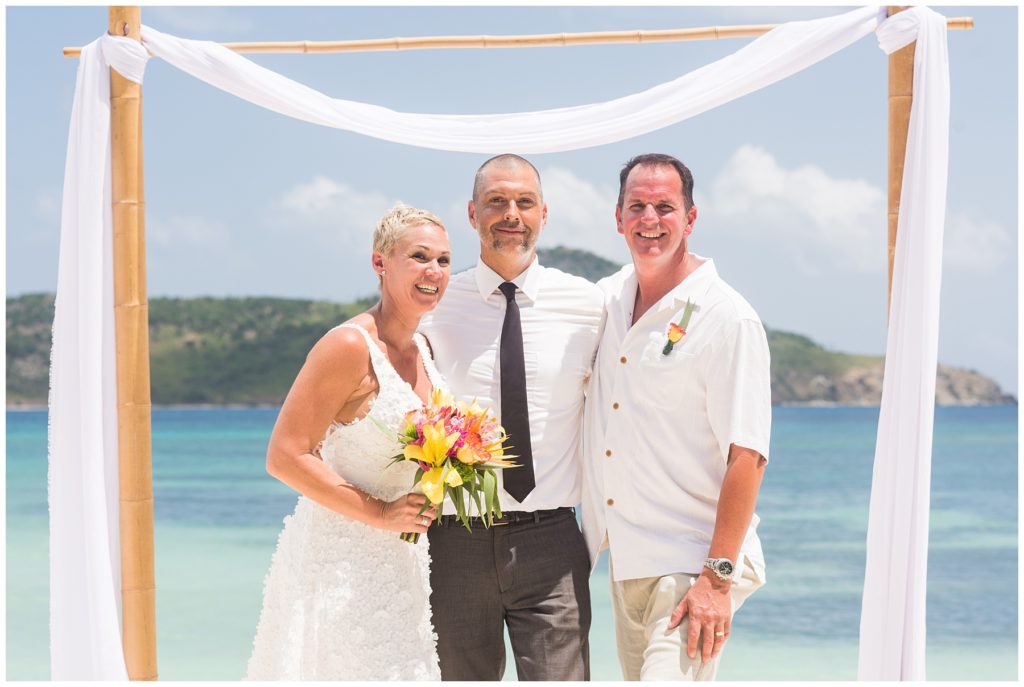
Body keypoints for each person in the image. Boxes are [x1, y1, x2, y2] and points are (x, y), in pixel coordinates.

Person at [581, 154, 771, 681]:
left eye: (665, 207)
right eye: (637, 206)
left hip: (694, 565)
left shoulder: (728, 317)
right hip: (627, 562)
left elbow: (748, 452)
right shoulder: (607, 299)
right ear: (617, 217)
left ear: (690, 219)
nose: (650, 219)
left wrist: (716, 578)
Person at [245, 203, 452, 680]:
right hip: (340, 561)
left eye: (443, 260)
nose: (434, 271)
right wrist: (379, 514)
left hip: (403, 563)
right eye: (419, 256)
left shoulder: (422, 348)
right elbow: (284, 455)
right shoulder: (348, 346)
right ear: (380, 263)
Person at [419, 154, 604, 680]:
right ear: (472, 212)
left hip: (553, 539)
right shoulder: (433, 302)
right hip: (454, 537)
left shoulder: (589, 305)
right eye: (496, 201)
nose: (511, 214)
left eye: (524, 202)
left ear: (544, 213)